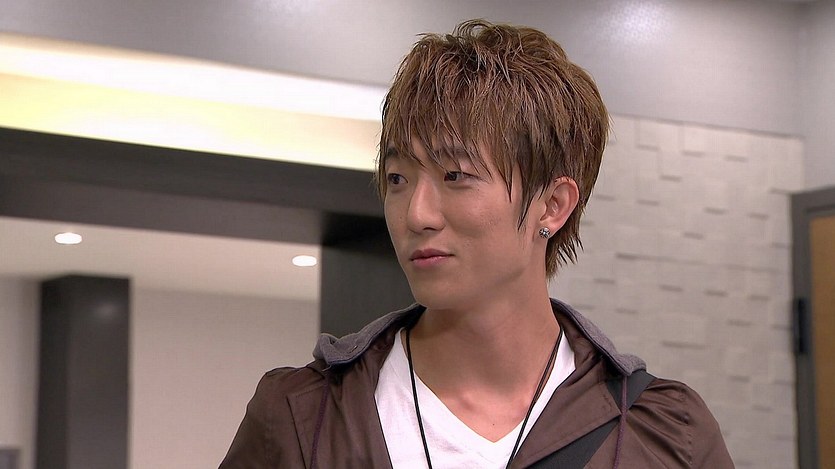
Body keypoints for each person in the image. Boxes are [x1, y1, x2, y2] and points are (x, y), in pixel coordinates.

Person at [220, 19, 734, 468]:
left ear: (552, 205)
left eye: (456, 176)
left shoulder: (663, 431)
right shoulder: (304, 415)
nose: (416, 214)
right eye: (398, 179)